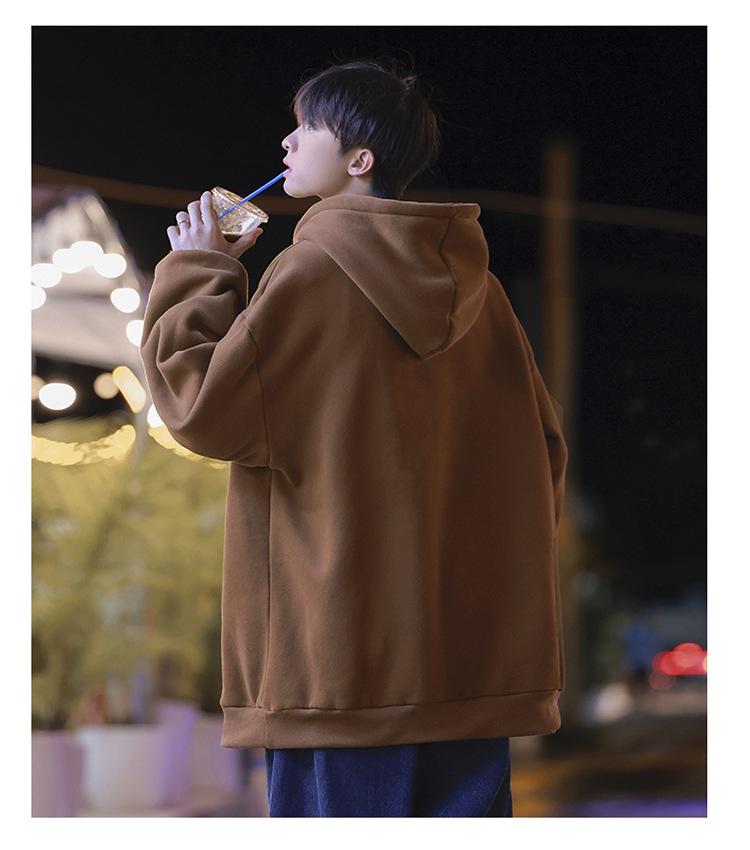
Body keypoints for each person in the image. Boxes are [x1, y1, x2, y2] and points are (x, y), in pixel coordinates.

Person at [139, 56, 568, 818]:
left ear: (359, 159)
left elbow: (200, 408)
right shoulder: (487, 296)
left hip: (336, 672)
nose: (287, 141)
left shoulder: (311, 275)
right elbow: (544, 456)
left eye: (307, 127)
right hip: (470, 676)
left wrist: (198, 270)